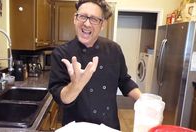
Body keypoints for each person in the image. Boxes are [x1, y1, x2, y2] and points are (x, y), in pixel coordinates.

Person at [48, 0, 142, 130]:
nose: (86, 23)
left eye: (94, 19)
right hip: (76, 128)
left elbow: (124, 81)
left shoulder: (114, 49)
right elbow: (59, 96)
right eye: (82, 16)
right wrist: (75, 86)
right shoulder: (61, 53)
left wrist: (144, 101)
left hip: (109, 126)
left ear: (102, 24)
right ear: (75, 19)